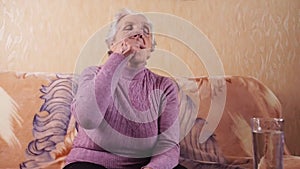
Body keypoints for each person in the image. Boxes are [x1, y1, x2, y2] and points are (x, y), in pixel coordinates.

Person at [64, 8, 186, 169]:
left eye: (146, 31)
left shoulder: (165, 86)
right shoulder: (92, 73)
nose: (138, 33)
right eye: (129, 28)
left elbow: (168, 145)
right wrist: (118, 57)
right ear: (111, 43)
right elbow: (87, 118)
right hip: (91, 163)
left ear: (150, 49)